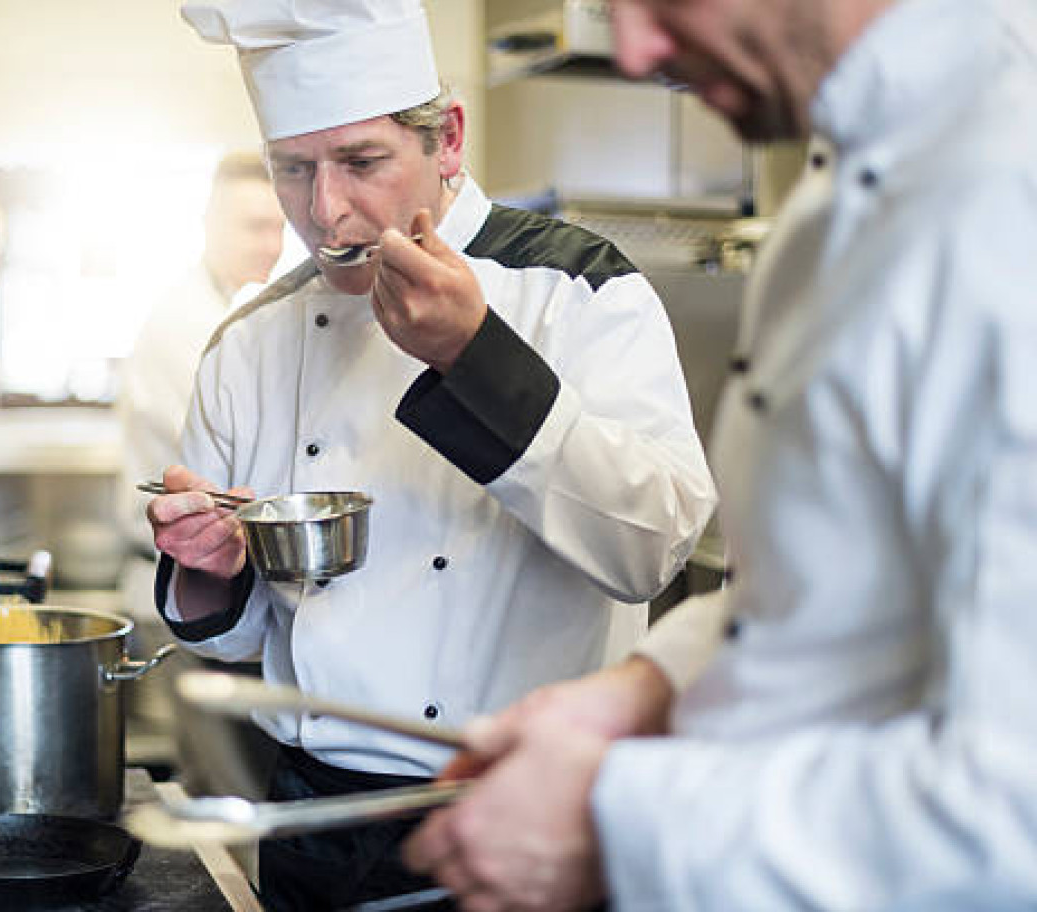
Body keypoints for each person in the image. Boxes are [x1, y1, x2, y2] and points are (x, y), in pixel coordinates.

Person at [402, 0, 1037, 909]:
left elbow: (1014, 817)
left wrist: (619, 825)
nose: (634, 52)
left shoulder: (1010, 189)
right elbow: (831, 585)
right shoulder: (833, 187)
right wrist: (645, 689)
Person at [146, 0, 717, 907]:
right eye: (293, 170)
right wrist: (210, 567)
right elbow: (247, 634)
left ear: (447, 139)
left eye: (361, 163)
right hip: (318, 821)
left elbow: (652, 546)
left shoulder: (580, 293)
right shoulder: (250, 342)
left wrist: (472, 354)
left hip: (523, 815)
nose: (324, 208)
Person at [115, 151, 286, 800]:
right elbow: (244, 465)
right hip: (184, 595)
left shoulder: (240, 309)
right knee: (226, 798)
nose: (268, 245)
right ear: (208, 224)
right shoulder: (186, 324)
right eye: (251, 226)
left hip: (229, 589)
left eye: (276, 227)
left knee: (242, 791)